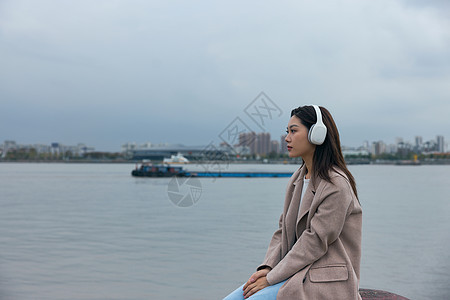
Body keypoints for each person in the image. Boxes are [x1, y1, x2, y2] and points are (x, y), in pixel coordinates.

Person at [223, 105, 362, 300]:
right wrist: (267, 267)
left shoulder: (336, 184)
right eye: (287, 131)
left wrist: (271, 278)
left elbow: (314, 241)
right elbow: (283, 231)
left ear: (317, 134)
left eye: (294, 131)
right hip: (295, 273)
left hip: (324, 281)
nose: (287, 138)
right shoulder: (298, 178)